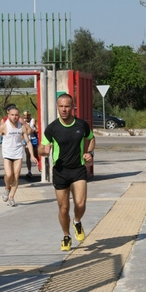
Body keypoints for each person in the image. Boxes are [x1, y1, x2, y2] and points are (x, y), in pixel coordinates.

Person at [38, 93, 95, 251]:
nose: (64, 109)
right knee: (63, 208)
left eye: (67, 106)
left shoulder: (81, 125)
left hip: (78, 169)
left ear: (72, 107)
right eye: (61, 106)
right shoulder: (52, 128)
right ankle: (66, 235)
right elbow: (40, 149)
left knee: (80, 203)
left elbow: (91, 138)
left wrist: (90, 153)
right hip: (60, 172)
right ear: (57, 107)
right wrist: (44, 150)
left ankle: (77, 221)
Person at [0, 106, 38, 206]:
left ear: (19, 116)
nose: (14, 117)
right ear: (8, 115)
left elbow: (28, 142)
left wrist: (33, 156)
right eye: (12, 115)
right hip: (7, 153)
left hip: (18, 154)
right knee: (9, 175)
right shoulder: (4, 126)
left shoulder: (21, 127)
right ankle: (7, 188)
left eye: (16, 115)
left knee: (16, 176)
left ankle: (12, 197)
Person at [22, 111, 39, 178]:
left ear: (30, 115)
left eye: (28, 116)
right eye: (25, 116)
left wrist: (33, 130)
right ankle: (29, 171)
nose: (26, 117)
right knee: (28, 155)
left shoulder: (33, 121)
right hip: (26, 140)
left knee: (35, 155)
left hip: (33, 139)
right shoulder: (22, 122)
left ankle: (40, 167)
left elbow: (38, 129)